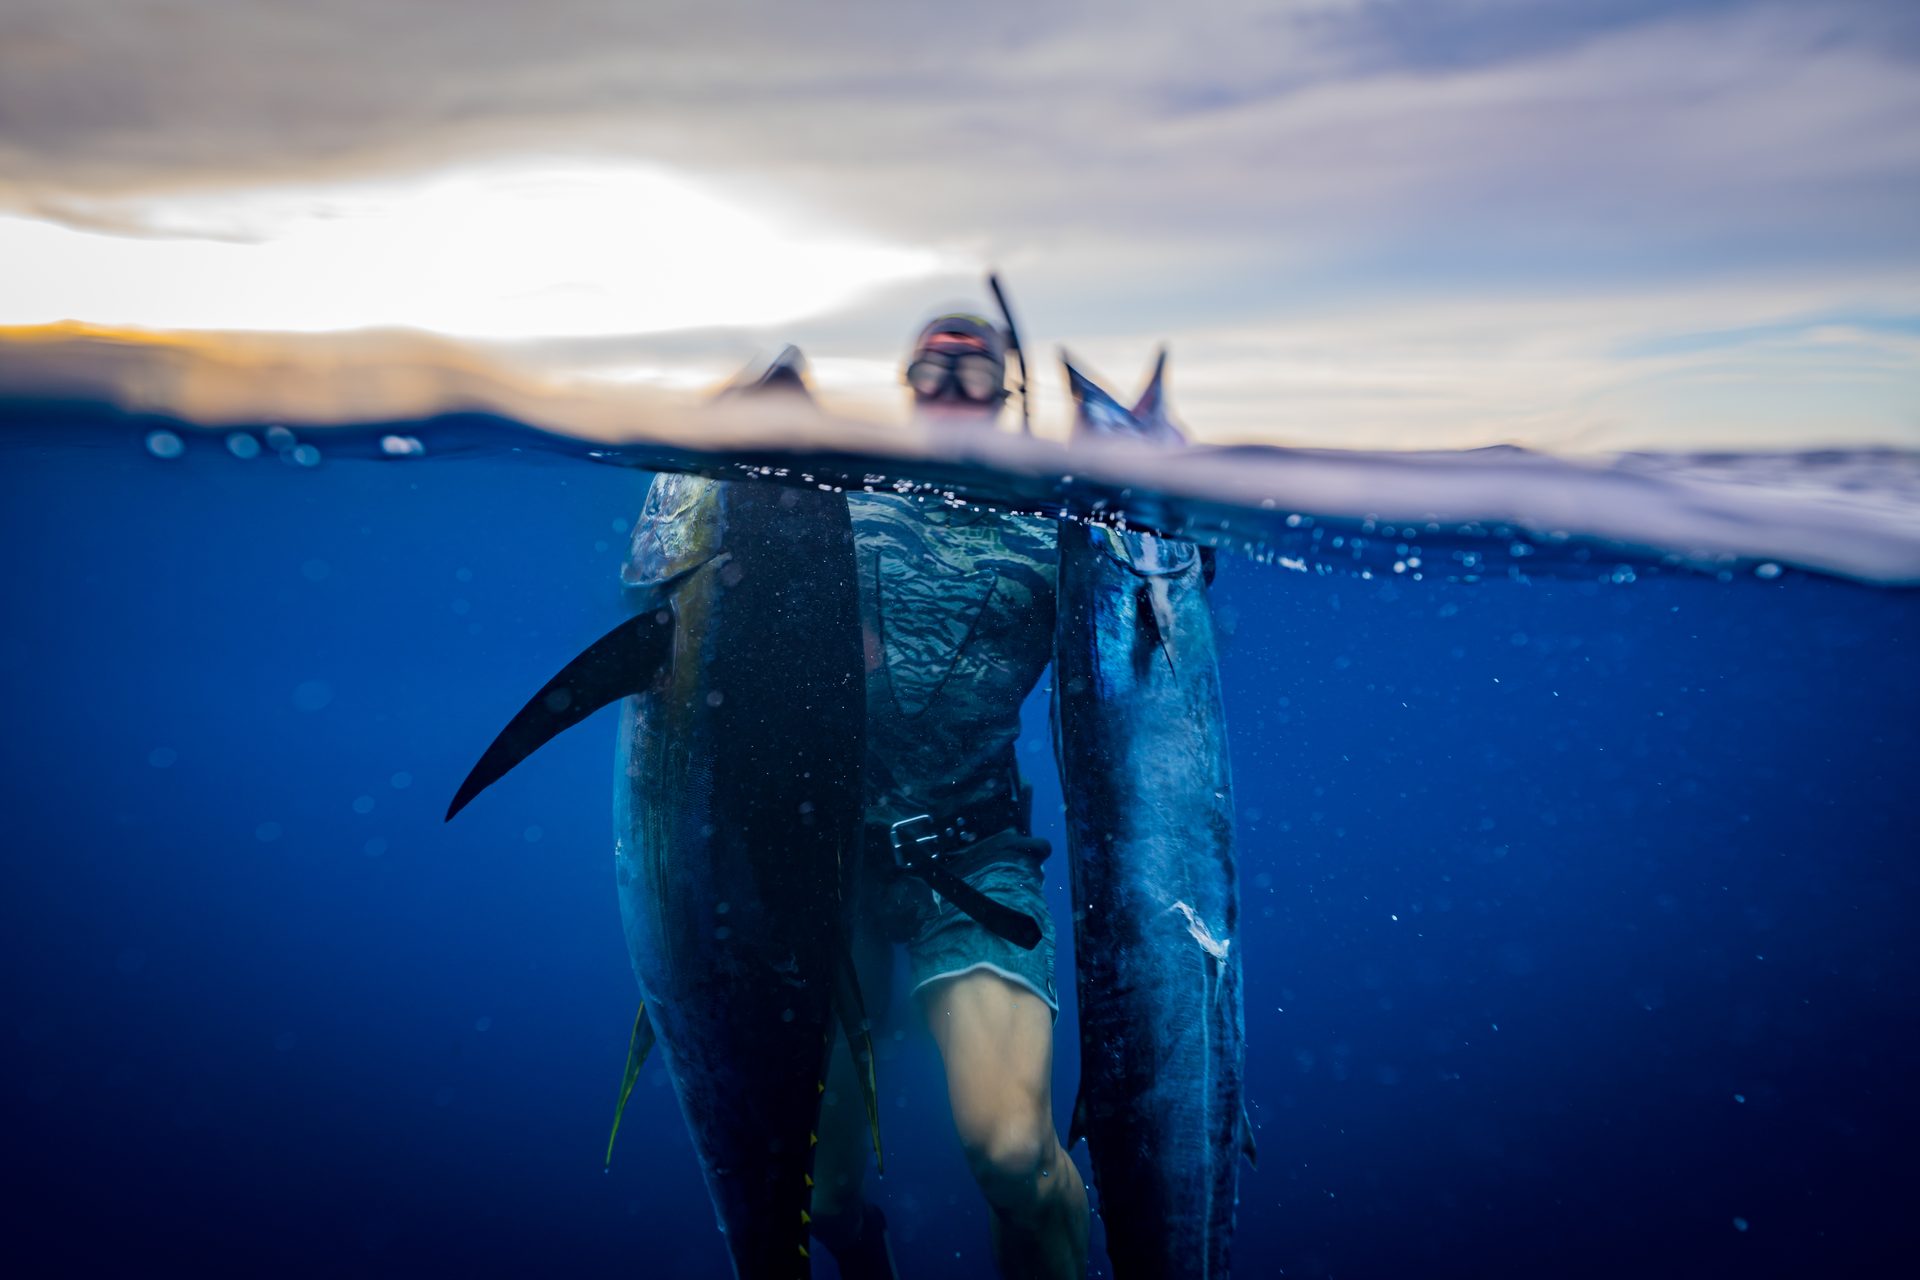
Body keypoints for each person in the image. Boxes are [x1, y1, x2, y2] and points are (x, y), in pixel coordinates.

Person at [808, 314, 1090, 1279]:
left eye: (972, 379)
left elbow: (1157, 602)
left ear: (1006, 394)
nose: (947, 393)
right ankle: (864, 1254)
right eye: (930, 372)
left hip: (974, 862)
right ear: (904, 381)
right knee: (819, 1195)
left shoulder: (1059, 523)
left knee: (1014, 1156)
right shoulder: (832, 498)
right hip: (822, 863)